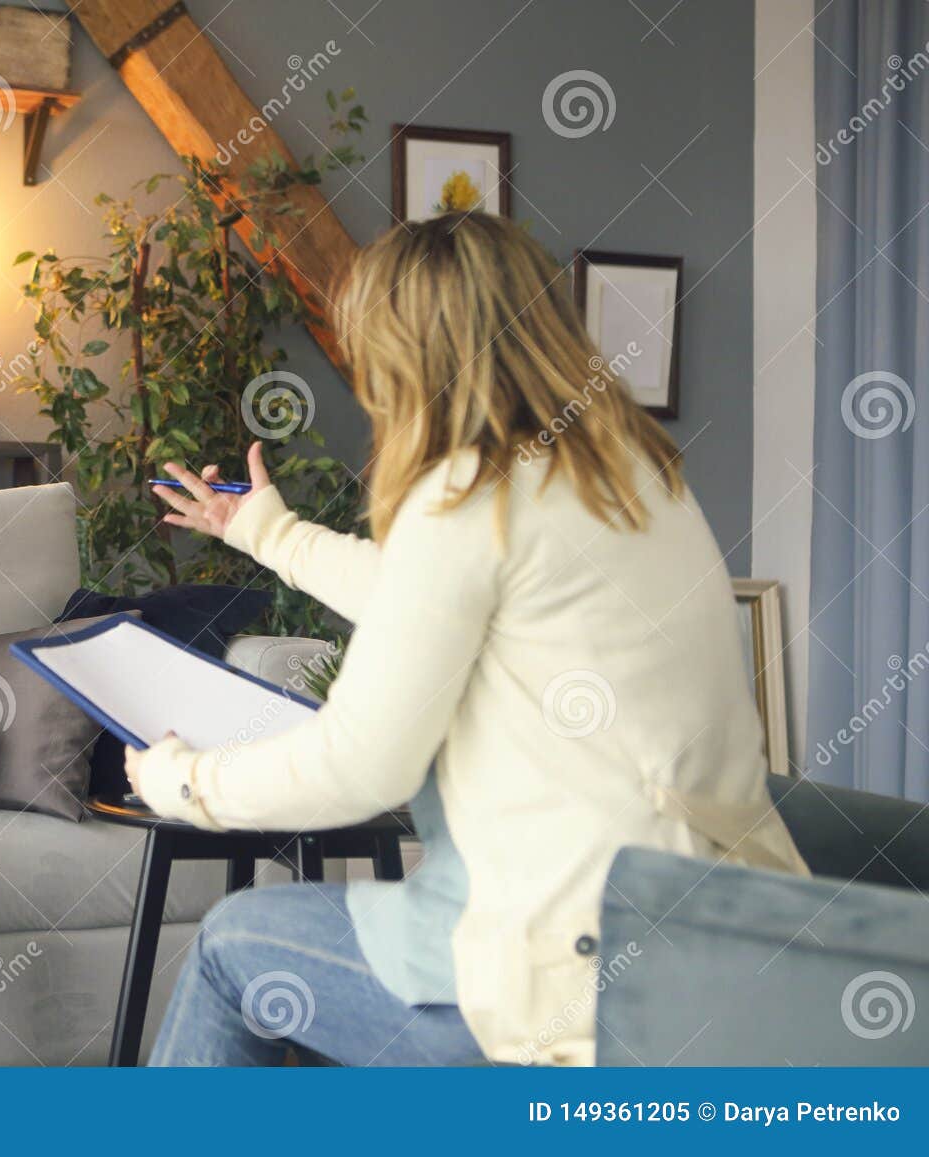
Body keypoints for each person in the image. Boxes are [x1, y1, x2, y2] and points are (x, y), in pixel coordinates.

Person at [130, 212, 811, 1067]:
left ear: (409, 356)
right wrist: (266, 532)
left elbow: (358, 767)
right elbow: (420, 594)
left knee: (234, 945)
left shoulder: (468, 491)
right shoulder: (628, 476)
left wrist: (181, 779)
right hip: (717, 949)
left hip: (582, 989)